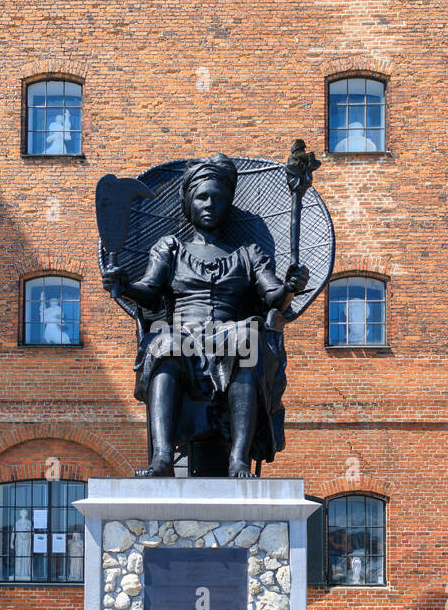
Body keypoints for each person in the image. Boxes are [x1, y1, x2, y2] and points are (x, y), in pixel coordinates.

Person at [102, 153, 308, 477]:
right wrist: (124, 284)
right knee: (165, 343)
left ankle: (238, 459)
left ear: (229, 204)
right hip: (183, 333)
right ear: (189, 202)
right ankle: (162, 459)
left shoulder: (249, 254)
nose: (211, 204)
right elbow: (148, 290)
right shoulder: (169, 248)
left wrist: (291, 287)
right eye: (202, 197)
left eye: (219, 198)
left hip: (231, 331)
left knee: (248, 342)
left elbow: (273, 298)